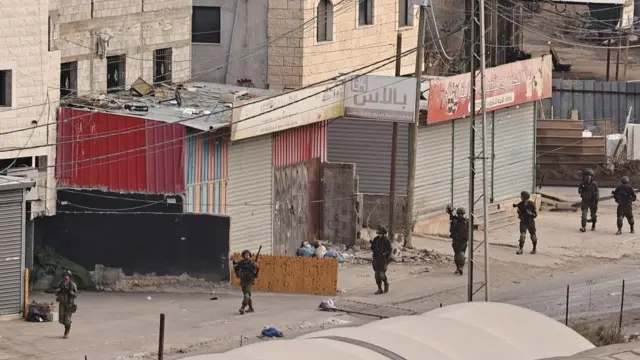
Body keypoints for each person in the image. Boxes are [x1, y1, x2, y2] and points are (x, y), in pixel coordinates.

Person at [234, 250, 259, 314]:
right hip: (243, 280)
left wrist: (257, 268)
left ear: (250, 256)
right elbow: (236, 268)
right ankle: (251, 308)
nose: (247, 256)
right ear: (243, 256)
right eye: (246, 255)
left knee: (246, 295)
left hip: (250, 281)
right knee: (246, 295)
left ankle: (242, 307)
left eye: (248, 255)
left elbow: (256, 274)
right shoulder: (241, 263)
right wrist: (238, 274)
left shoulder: (252, 263)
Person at [446, 205, 469, 276]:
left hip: (462, 240)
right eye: (459, 214)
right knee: (457, 255)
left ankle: (460, 268)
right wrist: (450, 213)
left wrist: (466, 238)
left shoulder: (466, 221)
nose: (460, 215)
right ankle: (458, 268)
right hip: (456, 240)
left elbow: (468, 231)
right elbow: (452, 220)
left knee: (461, 254)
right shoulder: (455, 220)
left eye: (461, 214)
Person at [55, 270, 78, 339]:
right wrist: (58, 290)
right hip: (62, 304)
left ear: (70, 277)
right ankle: (66, 327)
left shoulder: (72, 285)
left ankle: (66, 332)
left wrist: (72, 293)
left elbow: (76, 295)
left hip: (69, 304)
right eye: (65, 276)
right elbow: (56, 293)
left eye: (67, 276)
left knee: (67, 320)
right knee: (61, 320)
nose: (66, 277)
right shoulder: (60, 284)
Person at [370, 225, 392, 294]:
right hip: (376, 259)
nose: (379, 235)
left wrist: (386, 255)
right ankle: (379, 289)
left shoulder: (387, 241)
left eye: (381, 233)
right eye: (379, 233)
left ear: (383, 233)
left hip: (383, 260)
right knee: (377, 275)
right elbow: (372, 248)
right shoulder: (376, 239)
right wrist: (373, 246)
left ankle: (386, 283)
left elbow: (390, 250)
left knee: (381, 274)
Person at [515, 191, 538, 255]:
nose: (520, 197)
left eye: (521, 196)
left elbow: (535, 215)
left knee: (533, 235)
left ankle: (534, 248)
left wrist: (530, 213)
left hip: (530, 222)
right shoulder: (520, 204)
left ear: (524, 197)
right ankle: (521, 249)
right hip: (523, 221)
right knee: (522, 235)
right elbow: (519, 212)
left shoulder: (531, 204)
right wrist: (519, 214)